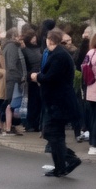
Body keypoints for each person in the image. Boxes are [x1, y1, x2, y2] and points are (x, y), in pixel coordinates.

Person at [34, 29, 83, 177]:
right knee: (54, 134)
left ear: (49, 40)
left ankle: (69, 160)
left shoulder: (59, 56)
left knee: (52, 133)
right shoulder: (59, 54)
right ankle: (61, 166)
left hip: (58, 102)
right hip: (57, 101)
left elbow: (51, 77)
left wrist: (36, 77)